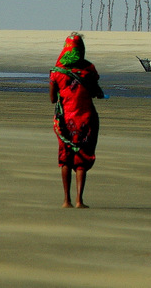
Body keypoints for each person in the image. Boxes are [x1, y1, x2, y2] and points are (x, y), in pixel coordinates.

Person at [49, 33, 104, 208]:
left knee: (65, 158)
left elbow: (52, 99)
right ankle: (79, 200)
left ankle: (66, 200)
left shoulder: (57, 72)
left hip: (65, 121)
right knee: (81, 158)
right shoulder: (89, 70)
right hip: (86, 120)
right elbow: (97, 91)